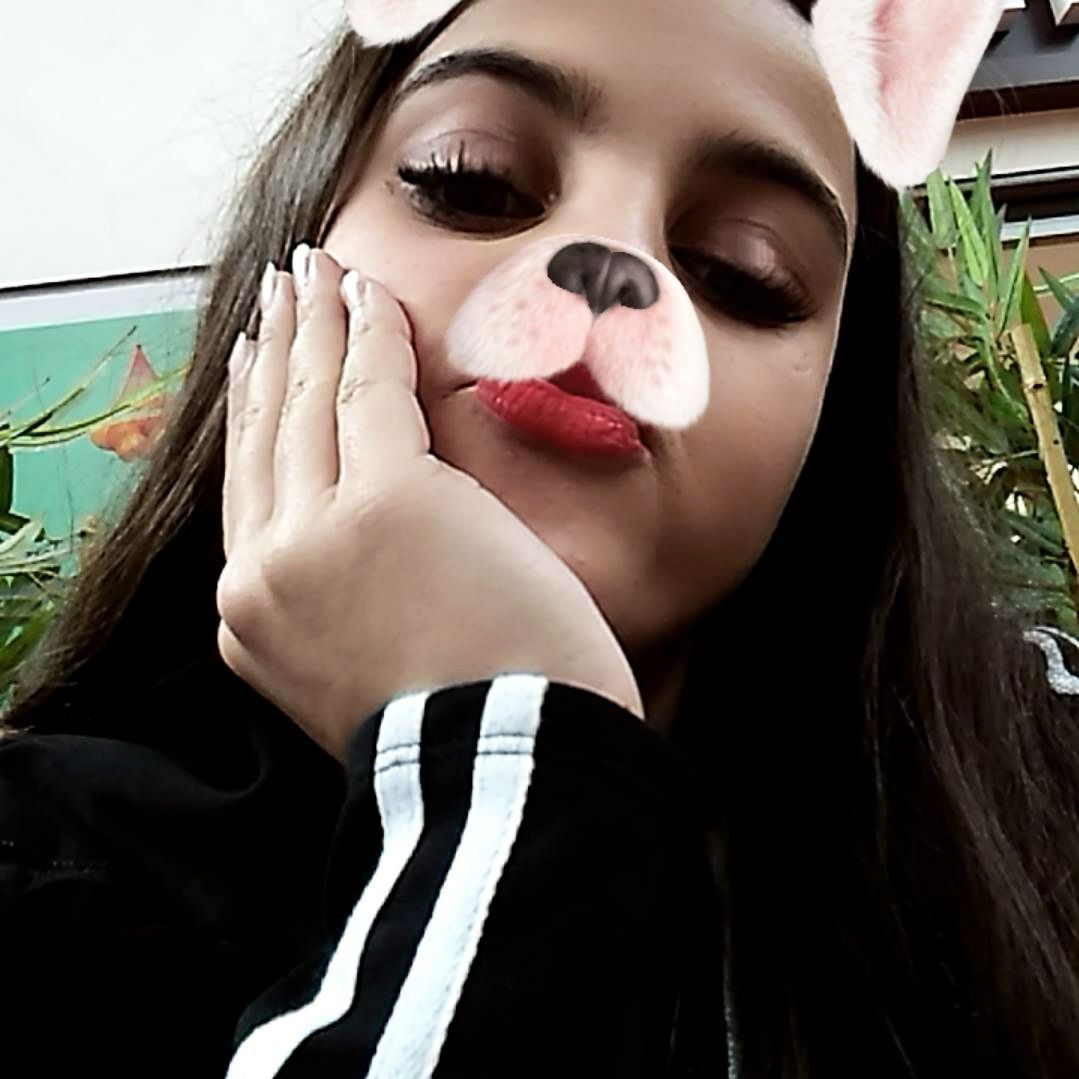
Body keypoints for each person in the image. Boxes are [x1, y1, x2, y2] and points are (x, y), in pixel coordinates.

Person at [2, 0, 1077, 1076]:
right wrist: (523, 770)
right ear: (294, 246)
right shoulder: (40, 875)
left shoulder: (1044, 809)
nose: (607, 264)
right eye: (469, 179)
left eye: (742, 270)